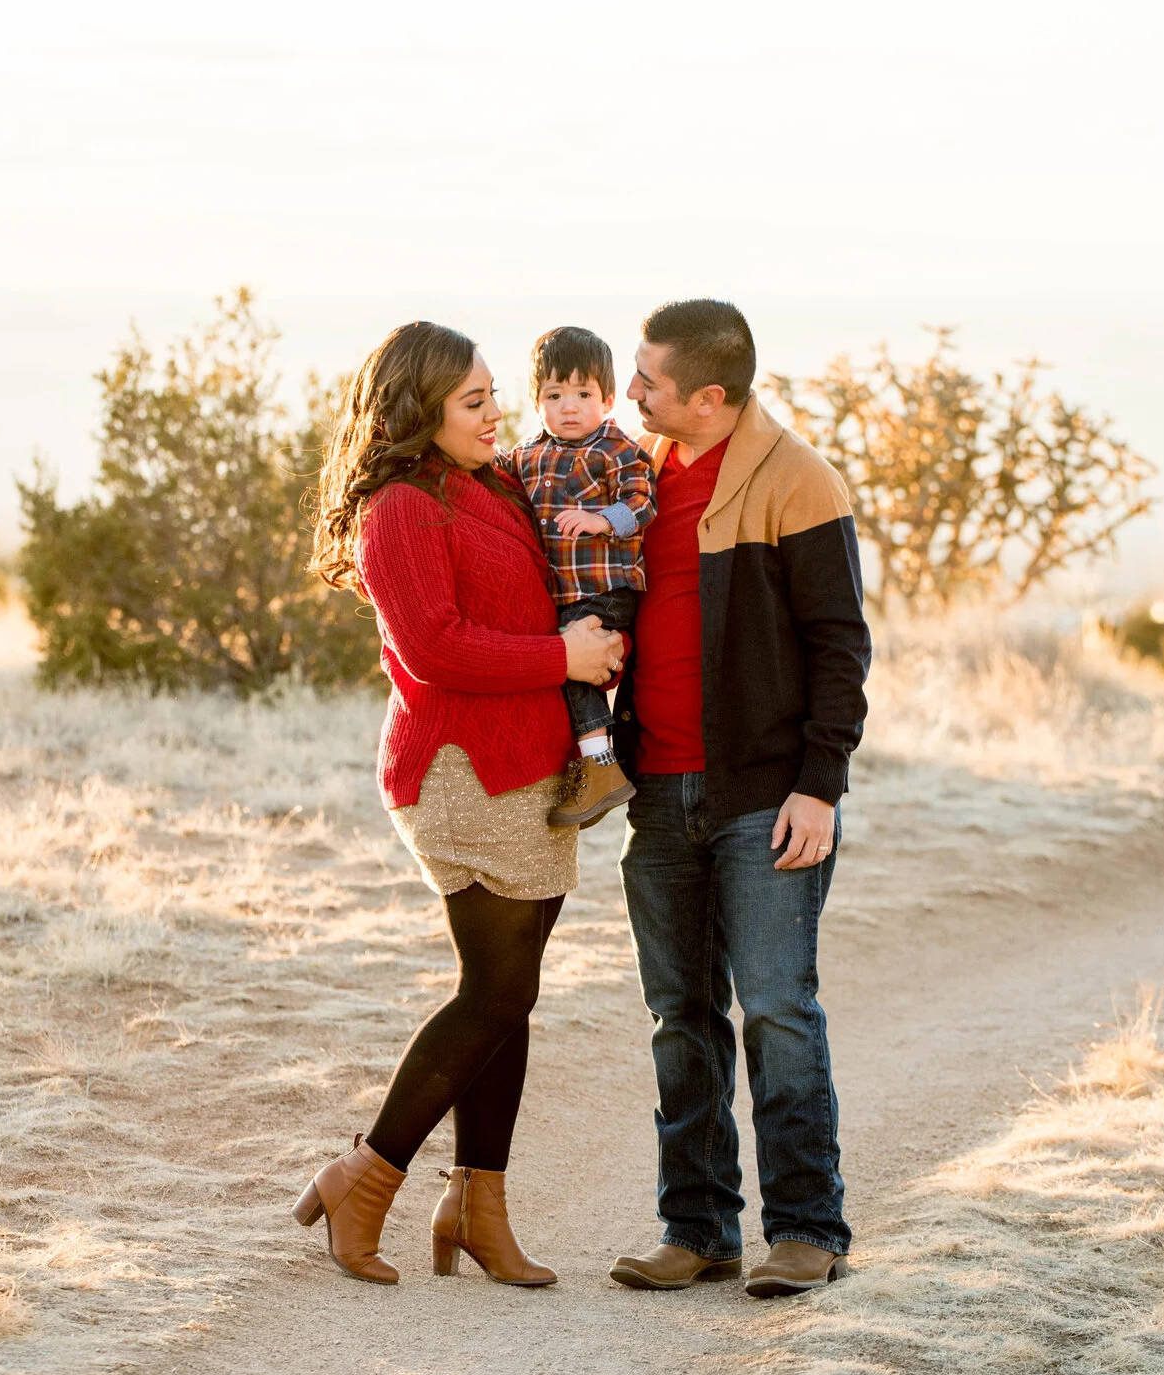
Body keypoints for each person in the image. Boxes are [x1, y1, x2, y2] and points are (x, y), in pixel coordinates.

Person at [295, 321, 628, 1288]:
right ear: (420, 410)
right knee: (494, 991)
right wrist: (562, 658)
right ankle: (367, 1173)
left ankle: (479, 1203)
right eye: (474, 401)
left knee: (510, 994)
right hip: (460, 772)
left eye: (494, 396)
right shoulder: (397, 508)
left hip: (532, 769)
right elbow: (436, 646)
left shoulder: (488, 483)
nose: (497, 414)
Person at [605, 298, 871, 1299]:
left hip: (766, 795)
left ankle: (805, 1227)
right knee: (679, 1016)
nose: (633, 393)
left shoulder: (798, 480)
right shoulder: (639, 473)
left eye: (650, 381)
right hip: (658, 790)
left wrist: (818, 784)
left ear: (709, 399)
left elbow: (841, 645)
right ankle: (698, 1227)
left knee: (774, 1011)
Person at [496, 326, 657, 829]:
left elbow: (642, 500)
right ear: (536, 400)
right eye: (555, 394)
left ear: (607, 399)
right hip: (560, 592)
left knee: (571, 655)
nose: (570, 406)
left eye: (583, 394)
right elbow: (494, 479)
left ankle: (599, 763)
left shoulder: (616, 449)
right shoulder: (526, 454)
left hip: (606, 589)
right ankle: (583, 760)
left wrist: (604, 519)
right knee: (556, 664)